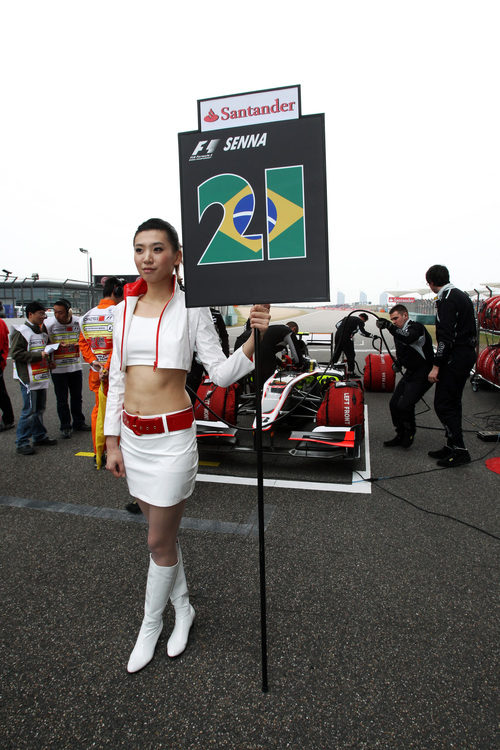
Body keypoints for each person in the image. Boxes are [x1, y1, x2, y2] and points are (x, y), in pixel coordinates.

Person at [104, 218, 270, 673]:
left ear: (177, 256)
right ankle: (186, 610)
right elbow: (116, 380)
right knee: (165, 542)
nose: (147, 258)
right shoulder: (121, 311)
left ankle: (149, 626)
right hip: (133, 441)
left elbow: (219, 374)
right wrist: (111, 440)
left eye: (158, 249)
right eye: (140, 249)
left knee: (158, 540)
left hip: (174, 439)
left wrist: (256, 338)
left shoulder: (192, 309)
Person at [425, 264, 477, 467]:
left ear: (430, 282)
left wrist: (436, 365)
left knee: (443, 404)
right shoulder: (460, 294)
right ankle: (451, 445)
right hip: (465, 353)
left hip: (456, 356)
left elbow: (445, 337)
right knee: (453, 402)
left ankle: (460, 449)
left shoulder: (447, 299)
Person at [376, 304, 434, 448]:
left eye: (396, 318)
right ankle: (400, 433)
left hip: (424, 371)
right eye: (392, 320)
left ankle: (409, 432)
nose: (394, 321)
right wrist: (399, 363)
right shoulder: (398, 332)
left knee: (405, 405)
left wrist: (390, 326)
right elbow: (403, 351)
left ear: (405, 316)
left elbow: (409, 338)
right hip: (411, 372)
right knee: (394, 404)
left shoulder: (416, 327)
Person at [79, 277, 124, 453]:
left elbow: (82, 344)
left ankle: (99, 450)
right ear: (117, 291)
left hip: (95, 372)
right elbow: (119, 344)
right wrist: (107, 366)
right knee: (119, 409)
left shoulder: (86, 316)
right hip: (115, 372)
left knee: (99, 410)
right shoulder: (120, 313)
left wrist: (94, 362)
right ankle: (117, 448)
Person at [10, 301, 57, 455]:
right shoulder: (22, 331)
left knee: (39, 409)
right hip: (28, 377)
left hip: (41, 375)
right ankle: (22, 441)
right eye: (41, 314)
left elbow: (44, 349)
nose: (44, 317)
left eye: (44, 314)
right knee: (29, 410)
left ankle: (39, 436)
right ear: (30, 314)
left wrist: (49, 362)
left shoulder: (42, 331)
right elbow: (16, 354)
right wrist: (39, 355)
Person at [44, 299, 90, 438]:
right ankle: (65, 425)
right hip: (58, 369)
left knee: (77, 397)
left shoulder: (78, 321)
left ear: (69, 311)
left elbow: (86, 339)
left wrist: (77, 344)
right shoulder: (48, 324)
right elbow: (43, 344)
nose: (57, 315)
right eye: (55, 312)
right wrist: (55, 348)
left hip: (75, 366)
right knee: (62, 399)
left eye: (61, 312)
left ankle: (79, 422)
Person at [234, 322, 303, 381]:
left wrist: (280, 363)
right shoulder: (288, 331)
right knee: (267, 373)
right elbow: (296, 355)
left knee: (241, 373)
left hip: (241, 341)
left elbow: (270, 351)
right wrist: (300, 364)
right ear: (293, 329)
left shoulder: (276, 329)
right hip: (255, 346)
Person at [0, 317, 15, 430]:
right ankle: (8, 419)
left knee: (1, 393)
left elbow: (3, 344)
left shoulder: (1, 323)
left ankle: (8, 420)